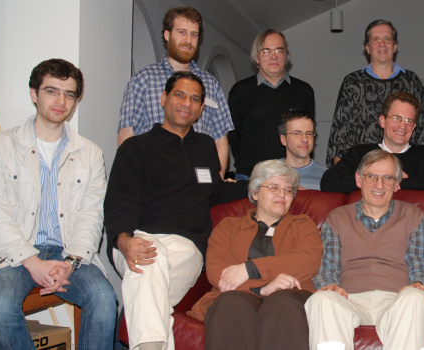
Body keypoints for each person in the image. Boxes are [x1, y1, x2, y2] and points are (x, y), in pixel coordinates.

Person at [0, 59, 116, 350]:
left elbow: (92, 216)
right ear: (33, 93)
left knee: (103, 300)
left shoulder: (90, 153)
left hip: (69, 253)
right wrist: (31, 261)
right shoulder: (0, 146)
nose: (61, 100)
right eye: (52, 91)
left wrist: (72, 264)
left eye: (69, 93)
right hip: (11, 253)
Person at [105, 72, 248, 350]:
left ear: (201, 109)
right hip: (137, 236)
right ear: (163, 99)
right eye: (179, 95)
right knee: (149, 262)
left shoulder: (205, 146)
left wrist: (262, 186)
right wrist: (124, 240)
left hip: (186, 247)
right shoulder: (135, 148)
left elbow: (216, 190)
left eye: (195, 99)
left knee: (147, 287)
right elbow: (119, 201)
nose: (187, 103)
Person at [306, 150, 424, 350]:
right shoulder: (337, 218)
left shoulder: (413, 216)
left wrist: (420, 284)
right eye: (372, 176)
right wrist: (330, 284)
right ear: (359, 179)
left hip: (398, 300)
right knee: (322, 299)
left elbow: (420, 262)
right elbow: (328, 265)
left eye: (387, 178)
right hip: (349, 299)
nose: (379, 185)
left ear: (397, 184)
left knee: (417, 296)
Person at [187, 160, 322, 350]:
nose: (282, 195)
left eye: (288, 190)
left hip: (291, 297)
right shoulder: (228, 226)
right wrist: (262, 288)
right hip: (236, 297)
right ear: (255, 192)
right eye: (274, 187)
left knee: (283, 301)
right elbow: (218, 273)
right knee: (230, 303)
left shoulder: (303, 224)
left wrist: (250, 269)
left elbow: (307, 261)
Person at [118, 7, 233, 177]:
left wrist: (216, 183)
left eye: (194, 35)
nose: (188, 40)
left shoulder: (211, 84)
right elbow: (126, 136)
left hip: (199, 186)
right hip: (154, 181)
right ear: (167, 35)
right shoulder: (144, 79)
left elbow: (220, 141)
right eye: (182, 32)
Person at [325, 19, 424, 167]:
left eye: (387, 39)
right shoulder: (353, 82)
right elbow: (339, 134)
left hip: (405, 168)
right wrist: (343, 174)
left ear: (395, 46)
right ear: (367, 47)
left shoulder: (411, 81)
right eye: (376, 39)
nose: (382, 44)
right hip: (361, 169)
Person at [320, 91, 424, 193]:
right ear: (382, 121)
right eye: (396, 118)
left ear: (414, 127)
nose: (402, 126)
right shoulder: (360, 154)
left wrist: (402, 181)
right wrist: (380, 177)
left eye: (408, 121)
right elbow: (329, 181)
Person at [229, 29, 315, 179]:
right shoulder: (240, 91)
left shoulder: (304, 91)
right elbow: (233, 135)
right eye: (266, 51)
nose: (273, 56)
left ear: (286, 56)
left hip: (293, 176)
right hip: (250, 176)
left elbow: (307, 134)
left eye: (279, 51)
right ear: (257, 58)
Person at [278, 109, 327, 190]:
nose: (305, 139)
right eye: (297, 133)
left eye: (309, 133)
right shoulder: (267, 174)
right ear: (283, 139)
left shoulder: (326, 177)